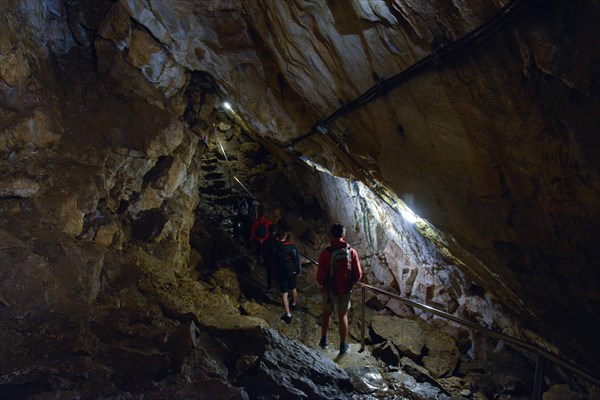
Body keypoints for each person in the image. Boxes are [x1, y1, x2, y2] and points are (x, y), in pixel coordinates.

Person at [316, 224, 362, 354]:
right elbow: (358, 274)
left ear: (331, 235)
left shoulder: (326, 252)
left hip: (330, 289)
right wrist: (350, 282)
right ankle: (342, 345)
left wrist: (323, 283)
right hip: (346, 290)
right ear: (343, 235)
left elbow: (320, 276)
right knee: (343, 316)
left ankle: (324, 340)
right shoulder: (351, 251)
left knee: (327, 313)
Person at [273, 229, 301, 324]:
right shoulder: (293, 246)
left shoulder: (276, 249)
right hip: (292, 271)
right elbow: (297, 259)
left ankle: (288, 315)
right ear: (284, 237)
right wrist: (298, 270)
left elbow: (275, 264)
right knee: (293, 288)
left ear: (277, 238)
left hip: (283, 273)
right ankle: (293, 303)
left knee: (284, 294)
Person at [262, 224, 278, 292]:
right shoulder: (277, 241)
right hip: (276, 260)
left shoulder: (267, 241)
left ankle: (269, 287)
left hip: (269, 260)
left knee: (269, 274)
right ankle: (277, 288)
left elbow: (265, 252)